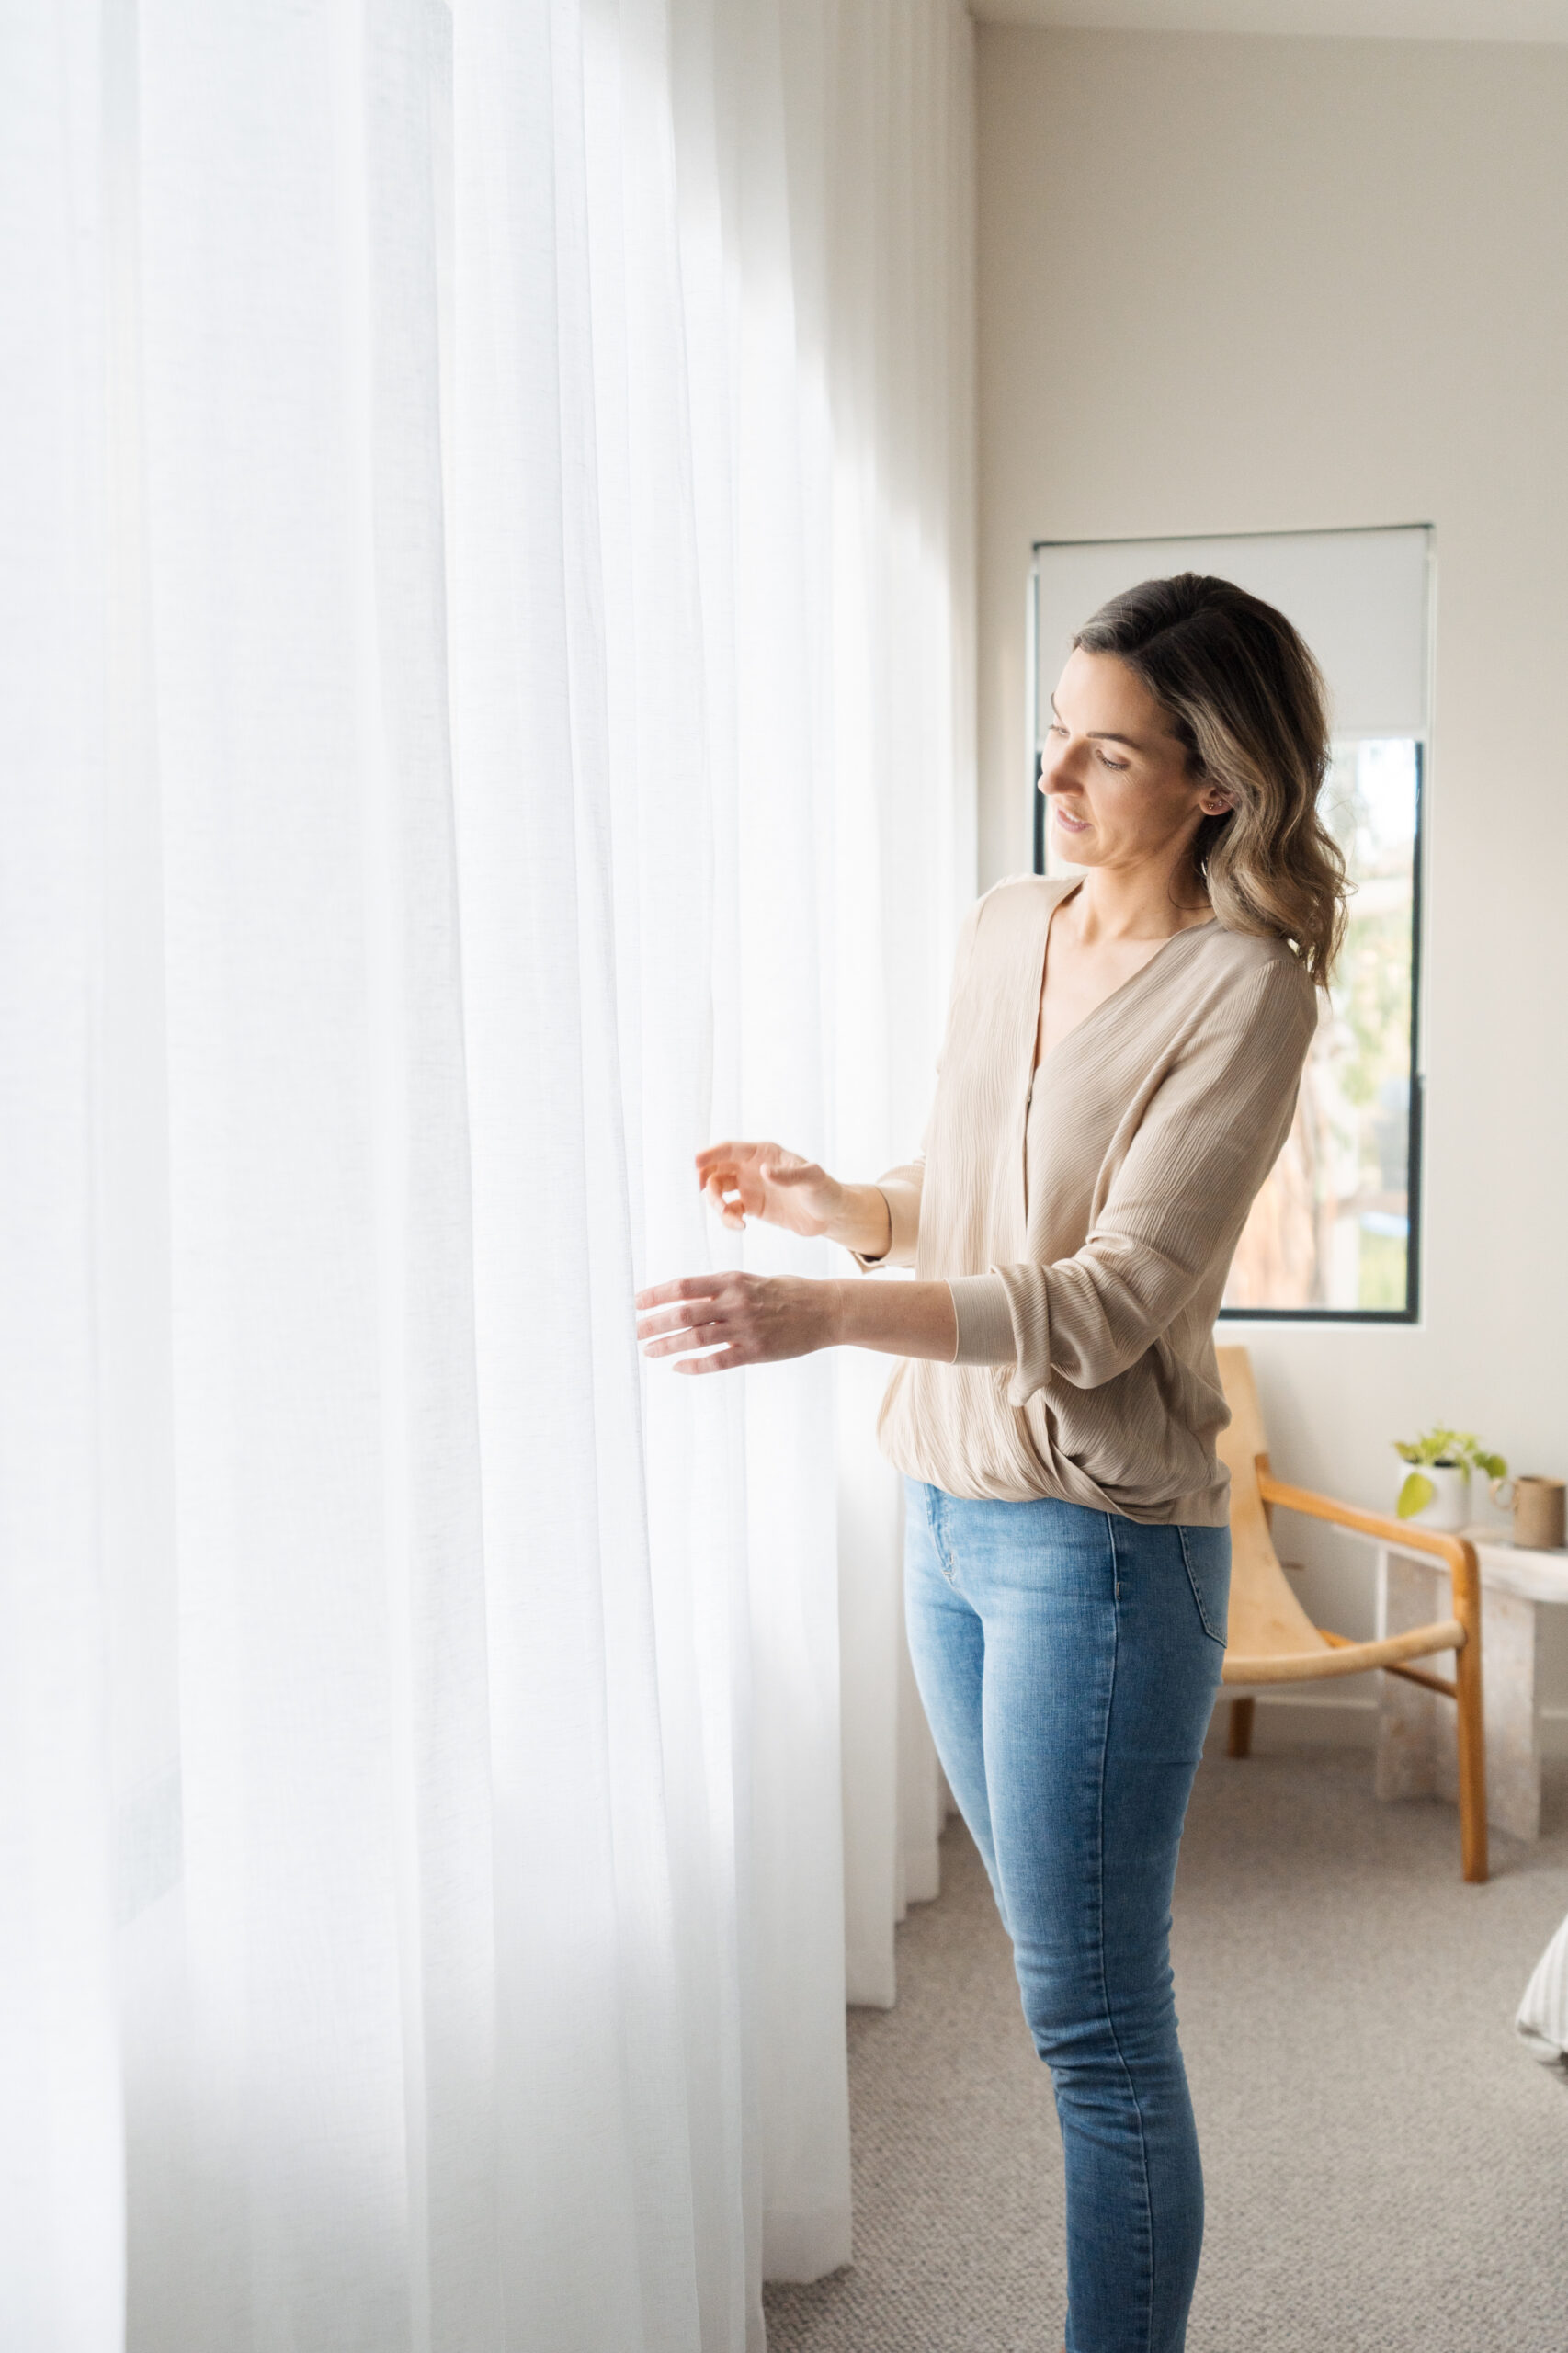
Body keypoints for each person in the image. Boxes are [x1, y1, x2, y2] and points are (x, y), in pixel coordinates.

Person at [633, 573, 1347, 2353]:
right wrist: (849, 1207)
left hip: (1098, 1551)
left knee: (1092, 2022)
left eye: (1106, 752)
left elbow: (1104, 1302)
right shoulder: (1001, 922)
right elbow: (973, 1201)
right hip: (942, 1513)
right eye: (1052, 733)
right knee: (1066, 1993)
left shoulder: (1239, 992)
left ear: (1212, 780)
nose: (1056, 778)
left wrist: (819, 1309)